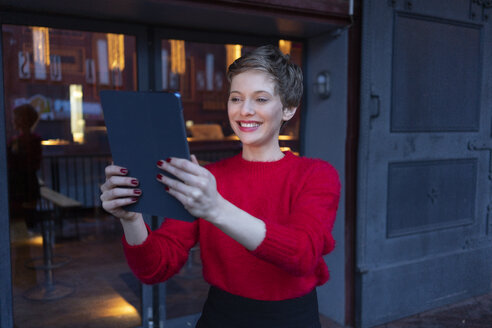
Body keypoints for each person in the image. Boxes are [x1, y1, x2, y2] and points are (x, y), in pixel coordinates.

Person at [100, 45, 340, 327]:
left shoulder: (316, 174)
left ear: (288, 108)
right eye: (235, 98)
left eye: (260, 99)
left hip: (291, 318)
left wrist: (216, 208)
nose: (244, 111)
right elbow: (154, 269)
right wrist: (132, 218)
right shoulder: (207, 179)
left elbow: (302, 254)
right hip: (222, 314)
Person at [7, 104, 42, 234]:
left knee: (21, 226)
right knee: (24, 225)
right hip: (26, 187)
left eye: (16, 117)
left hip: (21, 189)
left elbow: (27, 164)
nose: (13, 120)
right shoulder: (25, 140)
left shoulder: (22, 141)